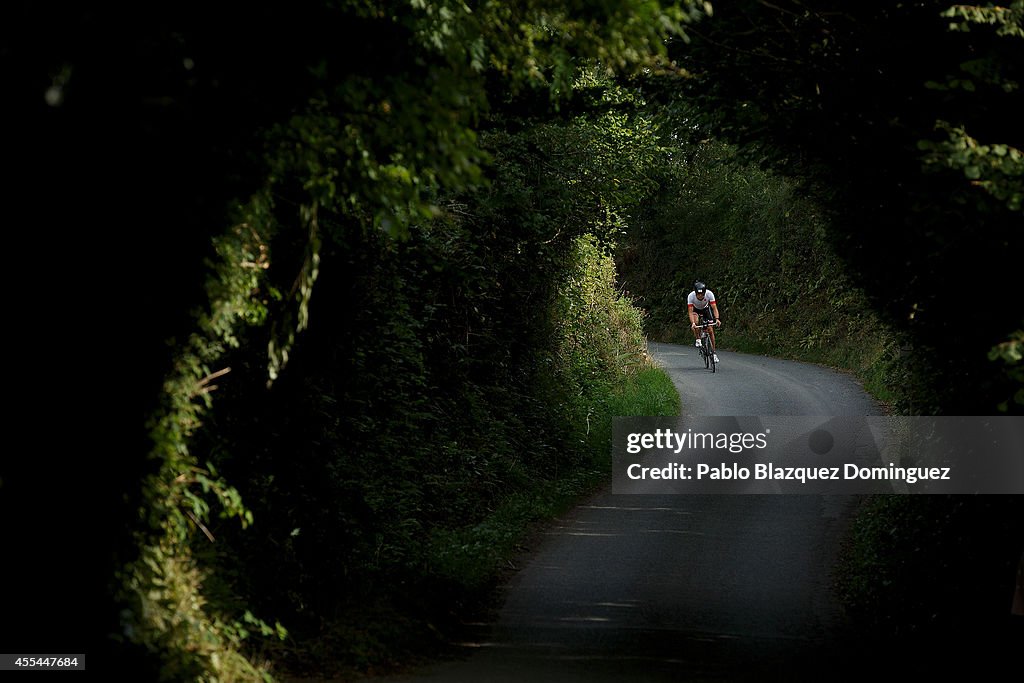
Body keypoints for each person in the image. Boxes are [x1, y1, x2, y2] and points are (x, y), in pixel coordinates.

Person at [688, 281, 721, 363]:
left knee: (710, 329)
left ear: (705, 292)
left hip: (706, 309)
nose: (700, 296)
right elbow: (690, 312)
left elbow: (714, 308)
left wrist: (717, 319)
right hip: (695, 310)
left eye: (702, 294)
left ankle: (713, 353)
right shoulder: (691, 296)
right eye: (698, 294)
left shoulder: (709, 294)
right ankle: (698, 338)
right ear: (695, 293)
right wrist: (693, 324)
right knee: (696, 322)